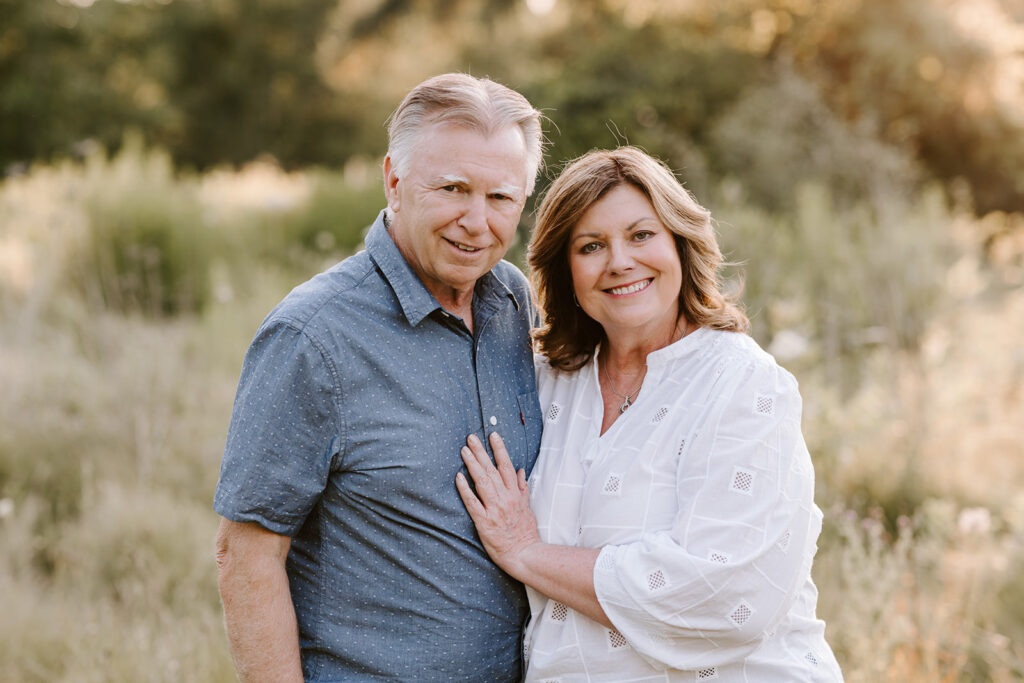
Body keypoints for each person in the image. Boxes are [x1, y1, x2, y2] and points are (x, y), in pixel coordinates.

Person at [456, 147, 844, 681]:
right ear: (565, 271)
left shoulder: (744, 386)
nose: (620, 262)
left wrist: (527, 554)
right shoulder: (546, 381)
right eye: (592, 246)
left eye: (641, 235)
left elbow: (722, 595)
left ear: (681, 244)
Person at [213, 73, 546, 682]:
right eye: (452, 188)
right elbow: (247, 554)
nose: (477, 222)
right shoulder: (312, 338)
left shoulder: (514, 305)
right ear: (394, 179)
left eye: (501, 198)